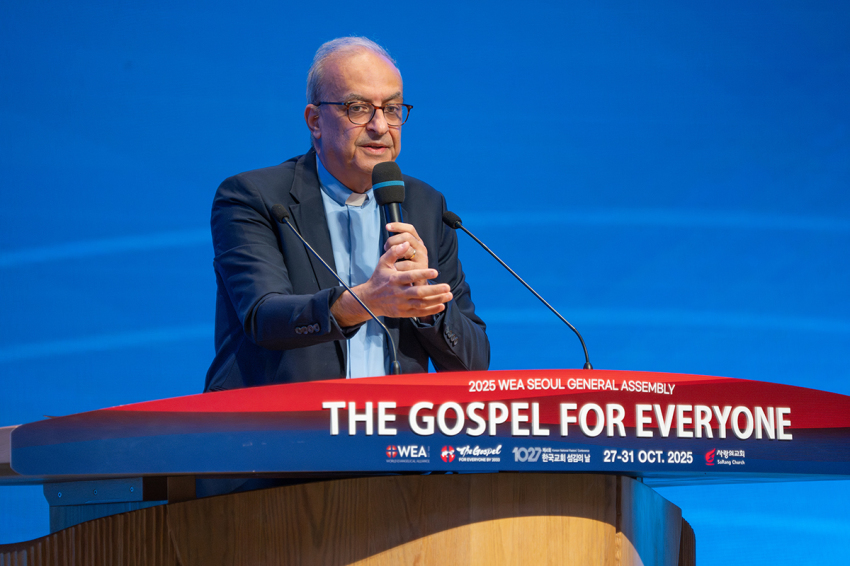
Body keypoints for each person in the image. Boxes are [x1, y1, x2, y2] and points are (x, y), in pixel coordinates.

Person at [204, 37, 489, 392]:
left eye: (392, 109)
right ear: (315, 120)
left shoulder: (426, 206)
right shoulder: (256, 198)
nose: (380, 126)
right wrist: (366, 301)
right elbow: (264, 319)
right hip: (280, 422)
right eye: (358, 108)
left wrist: (426, 302)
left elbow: (473, 365)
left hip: (392, 424)